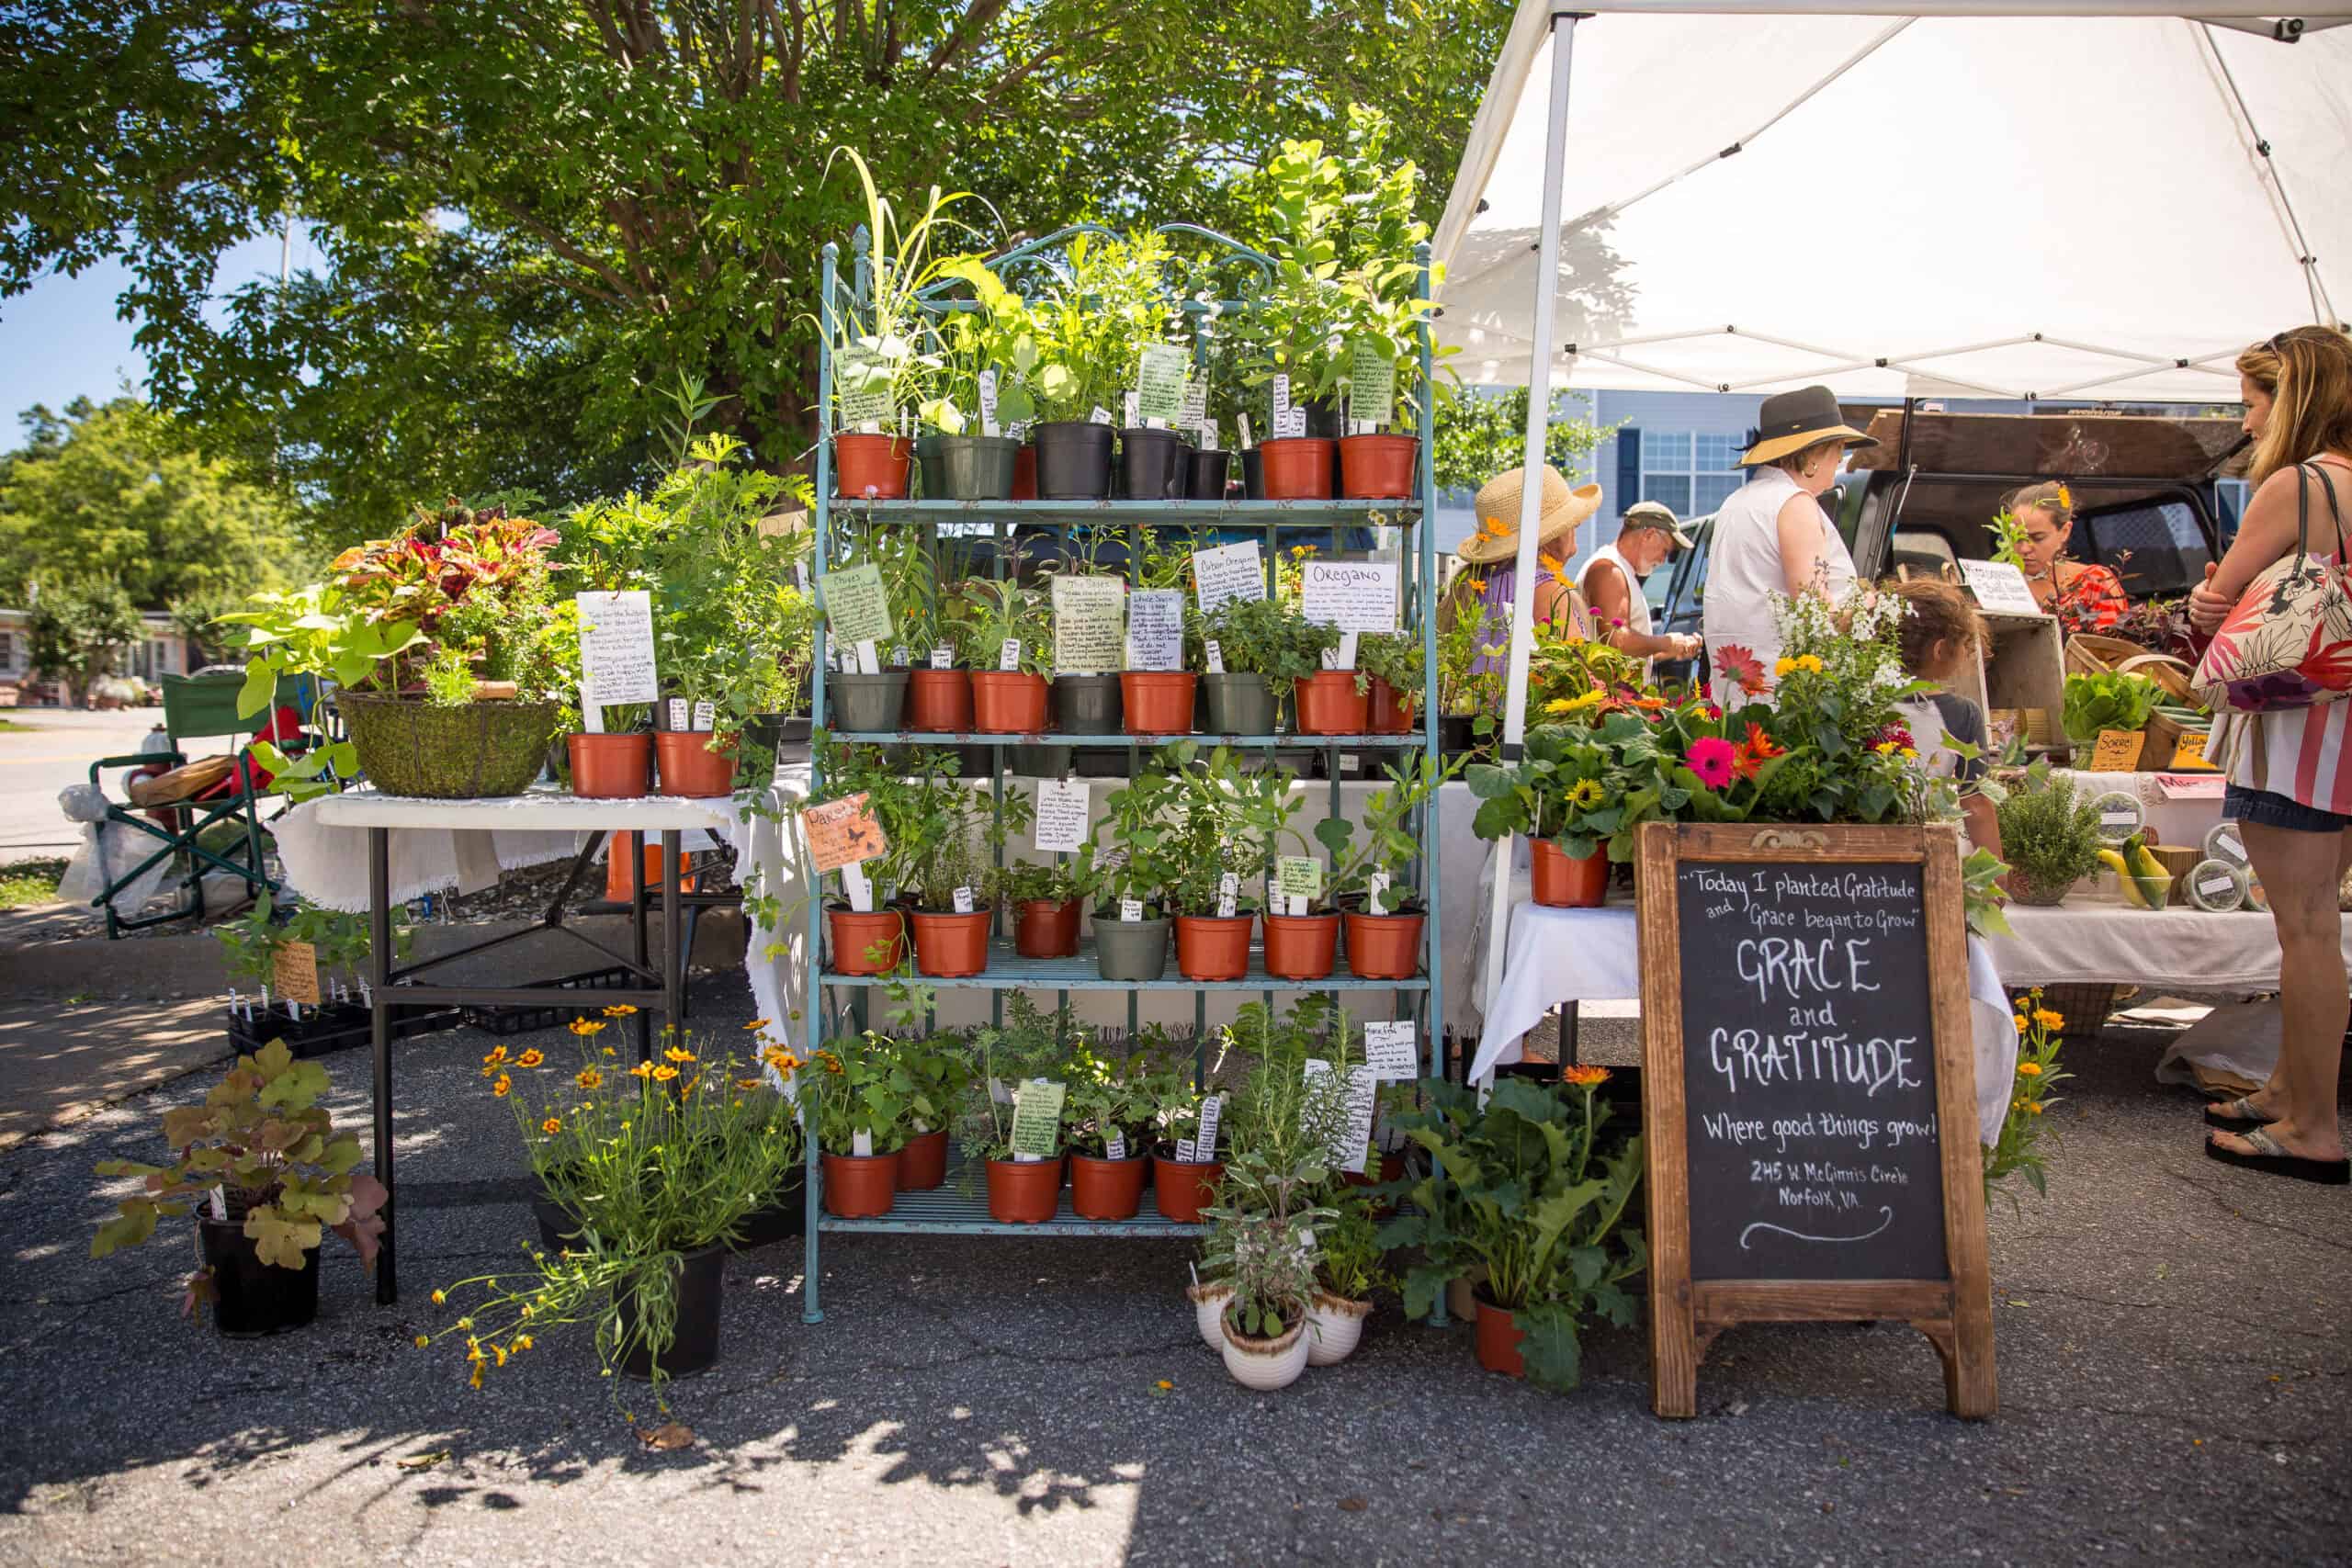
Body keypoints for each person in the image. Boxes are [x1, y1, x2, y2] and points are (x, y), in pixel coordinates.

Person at [2185, 324, 2352, 1185]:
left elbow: (2217, 605)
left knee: (2308, 926)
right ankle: (2290, 1090)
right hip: (2342, 731)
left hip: (2296, 734)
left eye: (2254, 402)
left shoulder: (2298, 484)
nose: (2247, 421)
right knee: (2315, 920)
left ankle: (2316, 1127)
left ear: (2295, 400)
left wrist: (2207, 596)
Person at [1702, 385, 1878, 696]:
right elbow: (1814, 613)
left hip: (1739, 688)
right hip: (1789, 695)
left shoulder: (1736, 501)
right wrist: (1869, 604)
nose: (1840, 458)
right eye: (1838, 448)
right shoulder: (1794, 503)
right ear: (1812, 454)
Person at [1443, 467, 1603, 675]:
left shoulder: (1480, 580)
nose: (1577, 526)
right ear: (1549, 536)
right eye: (1572, 523)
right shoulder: (1544, 589)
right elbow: (1578, 675)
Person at [1889, 577, 2002, 861]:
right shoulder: (1961, 714)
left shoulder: (1858, 702)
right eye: (1965, 645)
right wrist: (1995, 877)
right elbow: (1975, 802)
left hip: (1863, 850)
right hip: (1926, 852)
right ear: (1940, 650)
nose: (1967, 654)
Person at [1575, 501, 1702, 678]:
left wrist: (1673, 649)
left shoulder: (1619, 569)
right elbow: (1616, 642)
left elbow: (1629, 653)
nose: (1663, 560)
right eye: (1665, 550)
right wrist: (1666, 642)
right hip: (1609, 698)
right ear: (1649, 535)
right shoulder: (1609, 570)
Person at [2004, 481, 2127, 637]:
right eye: (2017, 538)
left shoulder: (2095, 582)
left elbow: (2109, 652)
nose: (2025, 549)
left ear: (2065, 531)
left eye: (2038, 538)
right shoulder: (1998, 586)